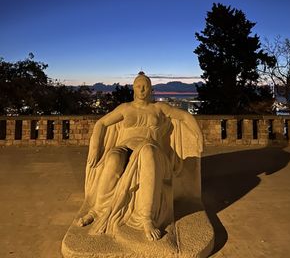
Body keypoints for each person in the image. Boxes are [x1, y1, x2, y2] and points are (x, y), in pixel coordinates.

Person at [78, 72, 203, 241]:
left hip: (151, 149)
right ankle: (97, 210)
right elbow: (101, 123)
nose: (142, 89)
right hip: (125, 147)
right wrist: (94, 148)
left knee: (147, 153)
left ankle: (146, 217)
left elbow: (184, 116)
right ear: (133, 89)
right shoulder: (125, 108)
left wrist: (199, 136)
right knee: (113, 158)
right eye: (138, 86)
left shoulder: (159, 108)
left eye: (145, 86)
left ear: (150, 89)